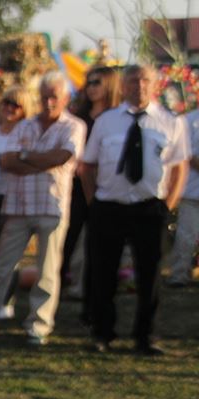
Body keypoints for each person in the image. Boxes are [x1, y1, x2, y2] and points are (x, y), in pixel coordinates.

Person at [80, 64, 189, 355]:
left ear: (154, 85)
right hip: (109, 206)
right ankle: (103, 333)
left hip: (149, 208)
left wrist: (169, 204)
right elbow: (87, 165)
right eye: (132, 81)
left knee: (150, 275)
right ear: (123, 86)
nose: (138, 86)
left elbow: (179, 167)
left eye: (144, 81)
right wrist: (93, 202)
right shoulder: (106, 121)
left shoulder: (170, 122)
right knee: (103, 273)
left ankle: (146, 336)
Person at [0, 72, 86, 346]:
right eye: (45, 96)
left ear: (65, 99)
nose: (48, 102)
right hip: (18, 206)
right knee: (1, 268)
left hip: (52, 206)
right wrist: (42, 160)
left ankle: (38, 326)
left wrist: (26, 158)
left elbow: (64, 156)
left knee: (47, 271)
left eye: (54, 97)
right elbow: (6, 161)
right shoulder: (24, 126)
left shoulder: (73, 126)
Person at [64, 65, 121, 316]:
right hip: (75, 188)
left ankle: (90, 300)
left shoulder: (117, 118)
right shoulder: (78, 117)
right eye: (88, 82)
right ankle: (60, 286)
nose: (91, 87)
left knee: (97, 248)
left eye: (97, 82)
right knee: (66, 241)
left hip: (107, 187)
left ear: (110, 85)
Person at [0, 85, 33, 321]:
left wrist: (9, 161)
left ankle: (6, 300)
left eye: (16, 105)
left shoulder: (25, 132)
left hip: (14, 197)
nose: (10, 109)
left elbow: (24, 162)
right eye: (7, 103)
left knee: (8, 254)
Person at [166, 102, 199, 287]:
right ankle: (179, 274)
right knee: (186, 236)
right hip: (193, 191)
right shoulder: (188, 121)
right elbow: (186, 154)